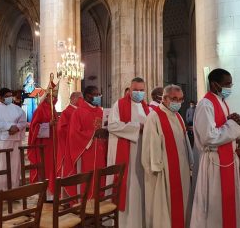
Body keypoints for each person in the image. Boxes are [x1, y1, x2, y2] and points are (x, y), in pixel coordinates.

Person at [190, 68, 240, 228]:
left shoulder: (221, 102)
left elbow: (222, 126)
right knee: (214, 207)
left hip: (226, 160)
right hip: (214, 163)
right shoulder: (206, 104)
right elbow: (209, 136)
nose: (230, 87)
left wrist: (232, 120)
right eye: (227, 84)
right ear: (214, 84)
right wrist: (233, 124)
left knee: (227, 203)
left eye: (231, 83)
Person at [142, 84, 193, 228]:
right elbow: (149, 146)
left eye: (181, 99)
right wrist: (156, 168)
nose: (178, 102)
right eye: (174, 99)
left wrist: (190, 160)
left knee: (182, 203)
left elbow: (185, 141)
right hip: (163, 171)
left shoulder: (177, 116)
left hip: (181, 169)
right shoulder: (154, 116)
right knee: (164, 207)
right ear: (164, 98)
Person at [107, 77, 150, 228]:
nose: (138, 93)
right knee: (129, 188)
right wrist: (138, 127)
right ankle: (125, 224)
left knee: (141, 189)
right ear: (130, 90)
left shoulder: (148, 108)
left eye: (141, 90)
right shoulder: (119, 105)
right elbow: (112, 126)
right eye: (136, 90)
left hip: (143, 155)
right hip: (127, 155)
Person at [0, 88, 28, 193]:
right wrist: (9, 127)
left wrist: (17, 128)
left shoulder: (17, 109)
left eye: (10, 95)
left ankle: (12, 190)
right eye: (7, 96)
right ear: (0, 97)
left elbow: (23, 121)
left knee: (14, 166)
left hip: (14, 143)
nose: (9, 98)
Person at [67, 86, 108, 197]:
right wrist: (93, 134)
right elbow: (74, 134)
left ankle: (99, 201)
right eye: (96, 94)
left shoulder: (100, 111)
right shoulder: (79, 112)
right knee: (87, 177)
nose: (98, 97)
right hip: (86, 152)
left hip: (100, 150)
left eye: (99, 94)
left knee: (100, 177)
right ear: (87, 96)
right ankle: (85, 202)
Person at [27, 80, 58, 198]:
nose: (54, 99)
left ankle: (52, 192)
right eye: (52, 96)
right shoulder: (40, 109)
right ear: (47, 96)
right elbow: (34, 128)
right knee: (46, 168)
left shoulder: (53, 109)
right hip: (43, 146)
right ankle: (45, 193)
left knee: (53, 167)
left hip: (53, 144)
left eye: (55, 97)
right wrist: (48, 125)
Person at [56, 91, 83, 178]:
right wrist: (75, 132)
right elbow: (61, 130)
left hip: (79, 144)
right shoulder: (66, 112)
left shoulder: (80, 111)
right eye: (81, 98)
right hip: (69, 145)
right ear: (73, 99)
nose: (82, 101)